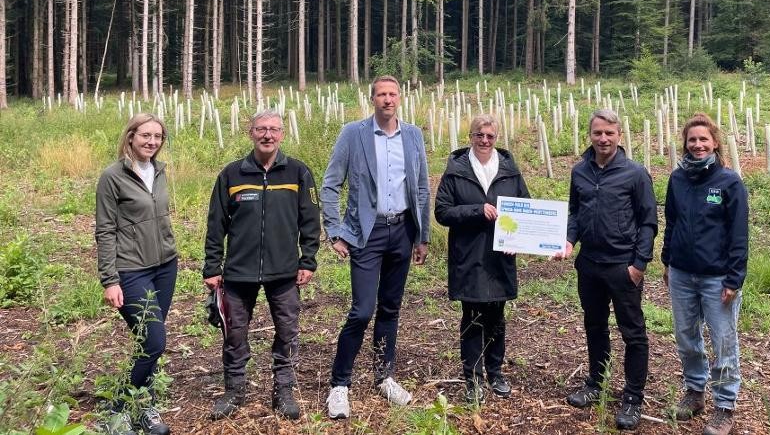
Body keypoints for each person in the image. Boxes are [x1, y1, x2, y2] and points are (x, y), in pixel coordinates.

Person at [322, 75, 430, 419]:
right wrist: (335, 230)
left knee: (391, 307)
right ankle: (340, 383)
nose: (387, 99)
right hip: (366, 235)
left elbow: (422, 188)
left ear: (400, 98)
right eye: (381, 94)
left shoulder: (412, 135)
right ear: (372, 99)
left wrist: (422, 235)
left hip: (401, 230)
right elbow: (330, 183)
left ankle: (384, 376)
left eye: (393, 94)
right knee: (362, 309)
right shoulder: (353, 133)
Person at [203, 110, 321, 421]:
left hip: (284, 271)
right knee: (234, 333)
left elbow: (310, 221)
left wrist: (308, 259)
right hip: (238, 273)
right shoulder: (231, 175)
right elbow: (216, 225)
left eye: (273, 129)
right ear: (250, 133)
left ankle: (283, 389)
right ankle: (234, 390)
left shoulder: (298, 173)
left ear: (282, 134)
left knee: (287, 331)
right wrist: (212, 267)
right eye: (260, 129)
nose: (267, 135)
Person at [558, 109, 657, 431]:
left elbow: (648, 222)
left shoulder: (635, 174)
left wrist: (639, 265)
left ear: (619, 135)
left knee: (633, 332)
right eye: (598, 133)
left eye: (609, 133)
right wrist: (570, 240)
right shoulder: (579, 172)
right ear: (591, 134)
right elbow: (574, 211)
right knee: (595, 326)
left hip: (622, 267)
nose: (603, 139)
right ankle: (596, 383)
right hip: (589, 265)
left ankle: (633, 397)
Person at [661, 113, 749, 435]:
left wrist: (733, 279)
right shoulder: (677, 179)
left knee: (723, 342)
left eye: (703, 140)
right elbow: (671, 223)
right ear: (685, 144)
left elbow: (739, 236)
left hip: (717, 279)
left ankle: (724, 406)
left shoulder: (729, 182)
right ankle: (695, 392)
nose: (697, 145)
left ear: (714, 143)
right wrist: (667, 260)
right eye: (692, 140)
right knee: (686, 338)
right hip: (683, 274)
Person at [435, 114, 530, 405]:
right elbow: (442, 212)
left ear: (496, 138)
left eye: (490, 136)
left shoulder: (510, 171)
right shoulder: (456, 171)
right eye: (479, 135)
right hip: (470, 256)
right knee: (473, 317)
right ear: (470, 138)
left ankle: (496, 371)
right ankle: (473, 378)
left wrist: (519, 238)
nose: (484, 140)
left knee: (497, 316)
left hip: (500, 256)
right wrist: (477, 210)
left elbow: (524, 209)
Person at [96, 113, 177, 435]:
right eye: (145, 135)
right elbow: (104, 230)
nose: (152, 142)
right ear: (130, 136)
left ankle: (144, 407)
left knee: (148, 342)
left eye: (158, 137)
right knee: (154, 341)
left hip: (165, 266)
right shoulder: (112, 176)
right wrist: (110, 279)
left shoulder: (158, 171)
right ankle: (115, 410)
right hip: (131, 270)